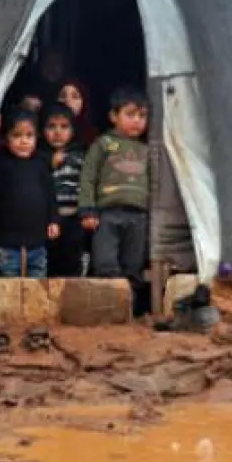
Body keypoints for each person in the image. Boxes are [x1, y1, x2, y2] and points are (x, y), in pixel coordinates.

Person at [79, 87, 151, 315]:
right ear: (113, 116)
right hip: (107, 214)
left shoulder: (147, 149)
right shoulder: (104, 144)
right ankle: (107, 312)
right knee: (105, 262)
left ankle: (131, 313)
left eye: (142, 116)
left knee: (134, 264)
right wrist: (88, 209)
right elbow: (88, 176)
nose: (137, 121)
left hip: (138, 216)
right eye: (130, 115)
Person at [0, 109, 59, 277]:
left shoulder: (40, 163)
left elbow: (49, 193)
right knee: (10, 290)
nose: (24, 141)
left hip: (37, 244)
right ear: (6, 139)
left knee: (37, 291)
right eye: (17, 135)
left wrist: (53, 220)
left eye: (29, 136)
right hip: (7, 245)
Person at [42, 105, 88, 276]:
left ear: (73, 130)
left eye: (64, 126)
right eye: (51, 126)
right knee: (48, 264)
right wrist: (49, 163)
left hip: (74, 219)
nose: (57, 132)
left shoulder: (80, 156)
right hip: (47, 220)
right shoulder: (38, 157)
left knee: (71, 262)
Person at [57, 78, 99, 146]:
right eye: (62, 96)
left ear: (83, 103)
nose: (68, 100)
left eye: (75, 97)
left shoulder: (91, 135)